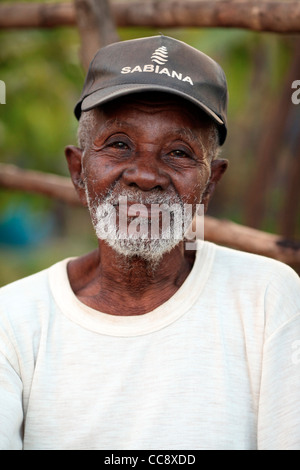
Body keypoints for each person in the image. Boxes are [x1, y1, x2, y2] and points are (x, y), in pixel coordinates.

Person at [0, 35, 300, 451]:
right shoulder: (13, 320)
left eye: (178, 152)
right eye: (120, 144)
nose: (145, 174)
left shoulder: (268, 298)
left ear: (209, 184)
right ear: (78, 170)